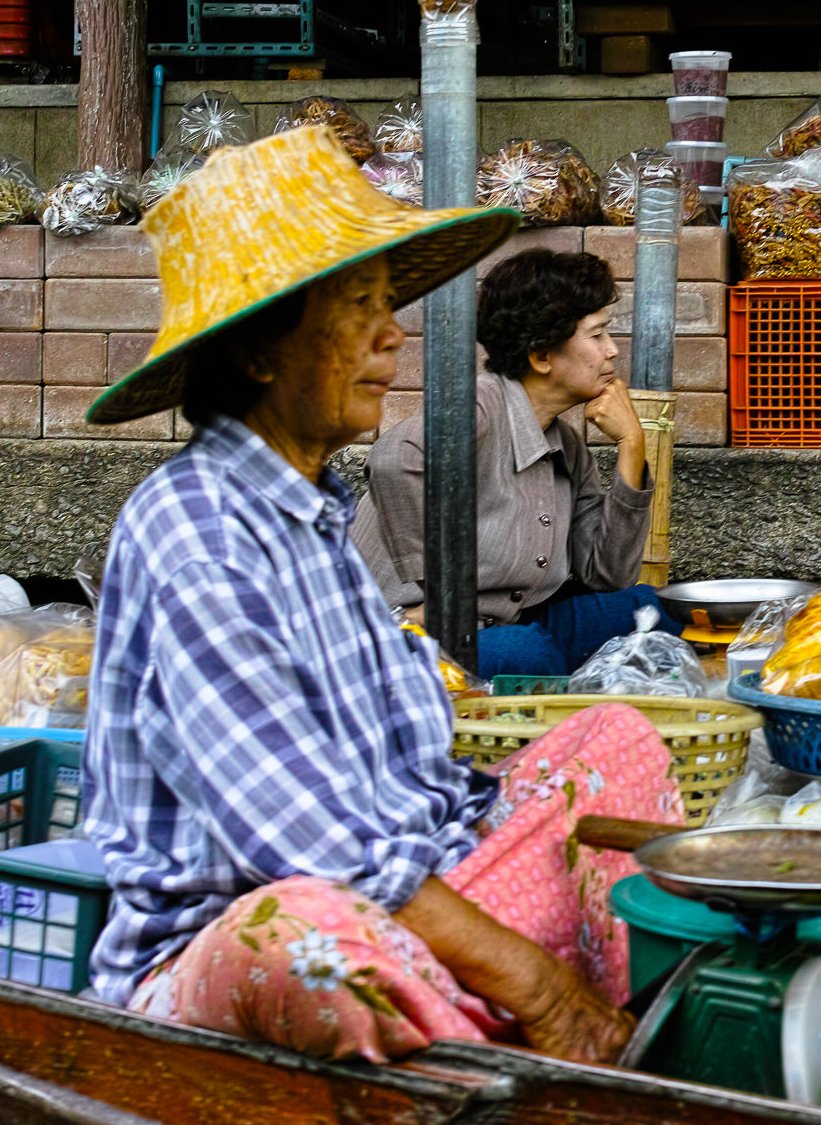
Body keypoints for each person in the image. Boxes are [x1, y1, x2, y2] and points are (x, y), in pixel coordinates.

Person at [78, 126, 686, 1066]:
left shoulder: (311, 513)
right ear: (257, 352)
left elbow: (423, 784)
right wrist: (532, 978)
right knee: (310, 938)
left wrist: (508, 825)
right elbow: (304, 838)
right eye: (355, 308)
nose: (392, 334)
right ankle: (534, 1022)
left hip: (416, 886)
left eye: (385, 303)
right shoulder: (197, 529)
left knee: (615, 739)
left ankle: (520, 1004)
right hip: (260, 932)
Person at [353, 249, 663, 678]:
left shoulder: (566, 445)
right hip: (404, 635)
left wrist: (632, 443)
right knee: (528, 656)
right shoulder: (477, 409)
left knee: (647, 610)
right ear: (541, 356)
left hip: (503, 624)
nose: (612, 352)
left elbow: (607, 575)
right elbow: (393, 458)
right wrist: (442, 598)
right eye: (597, 336)